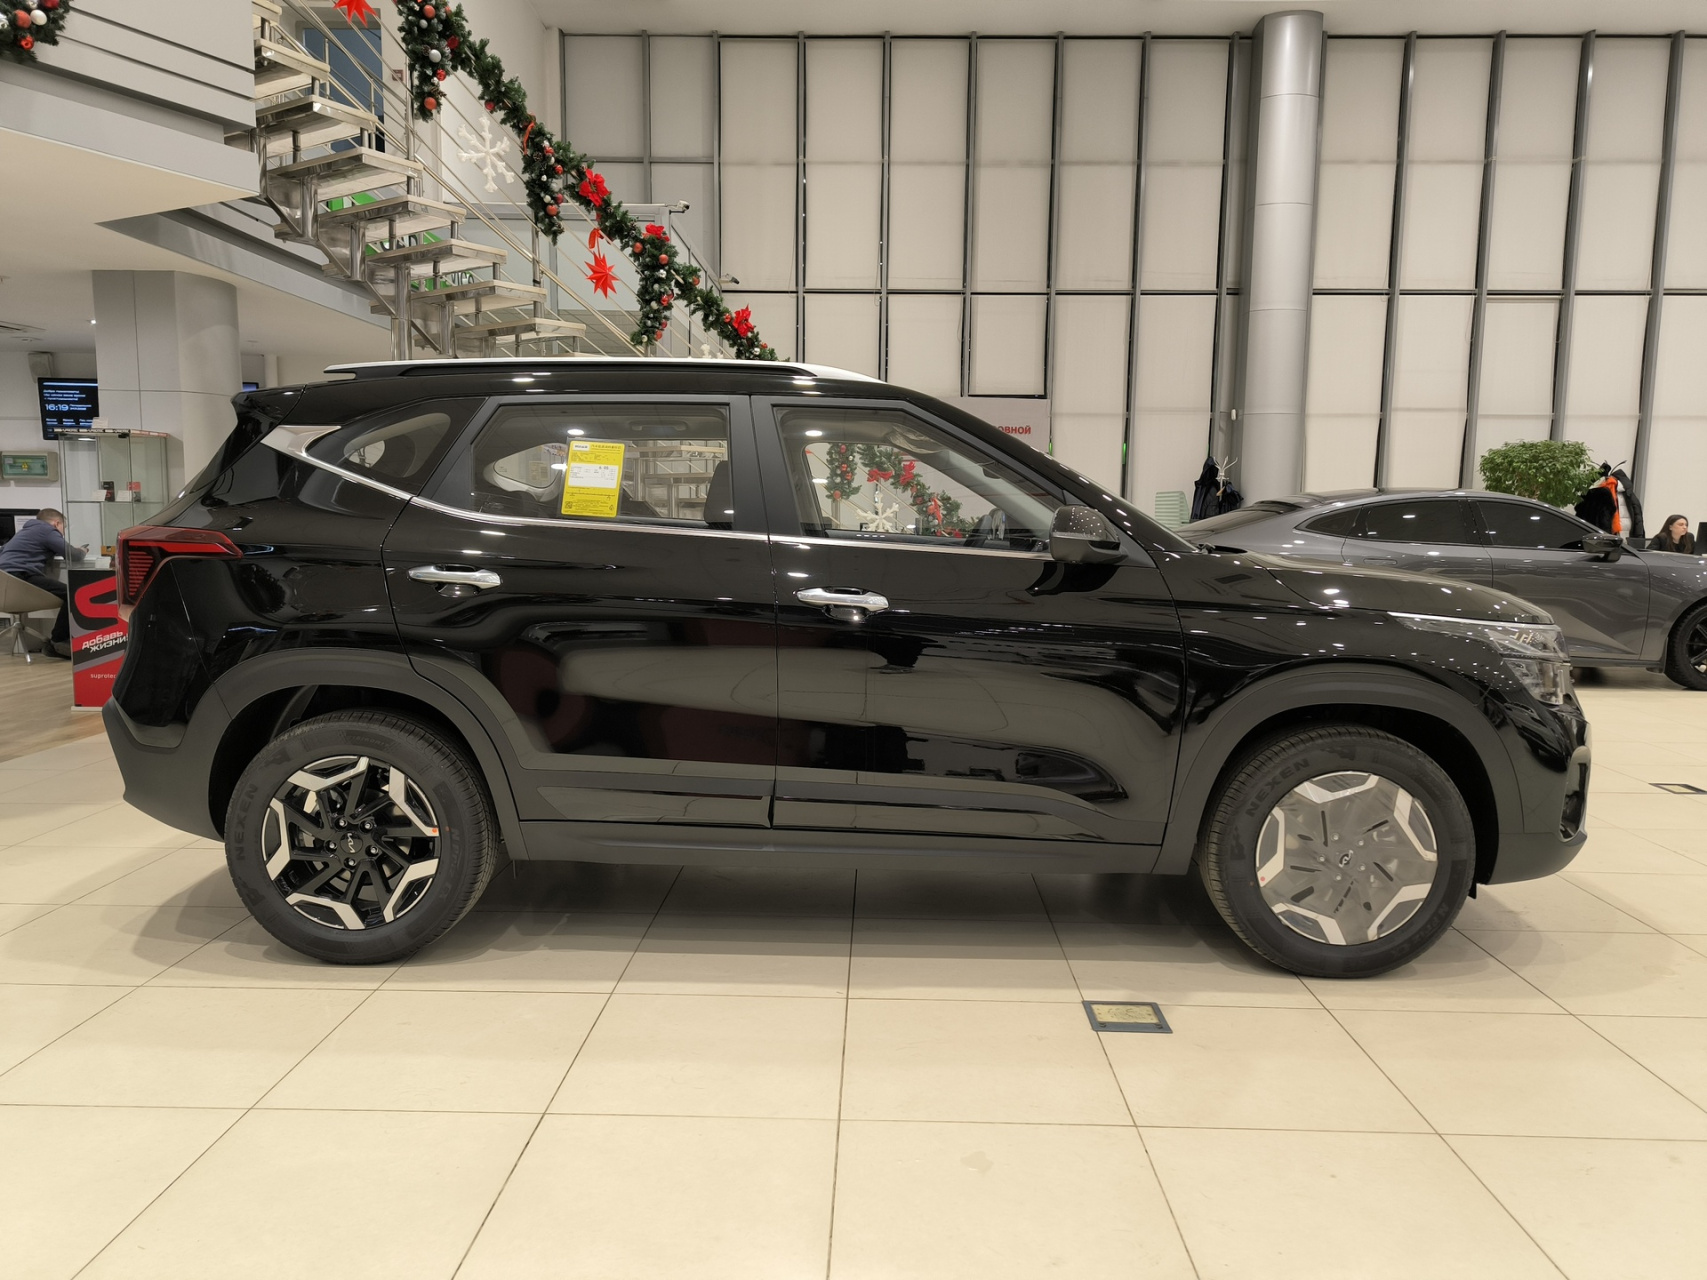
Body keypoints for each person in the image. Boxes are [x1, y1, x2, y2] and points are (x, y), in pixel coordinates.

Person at [0, 508, 87, 659]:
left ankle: (56, 644)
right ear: (56, 523)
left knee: (68, 593)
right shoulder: (47, 530)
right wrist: (82, 551)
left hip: (5, 581)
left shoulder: (24, 532)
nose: (63, 533)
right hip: (21, 576)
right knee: (73, 594)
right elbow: (73, 555)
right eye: (64, 528)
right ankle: (58, 642)